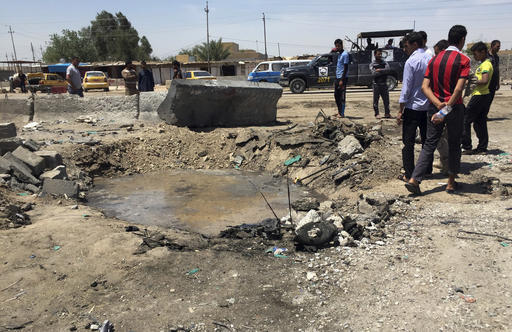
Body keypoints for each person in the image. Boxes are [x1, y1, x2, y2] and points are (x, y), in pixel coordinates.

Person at [405, 25, 470, 195]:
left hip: (434, 106)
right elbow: (458, 90)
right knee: (455, 144)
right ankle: (450, 183)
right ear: (462, 39)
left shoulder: (434, 59)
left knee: (429, 143)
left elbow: (425, 87)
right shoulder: (463, 60)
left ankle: (414, 179)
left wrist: (438, 105)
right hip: (453, 108)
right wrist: (446, 109)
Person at [397, 32, 432, 182]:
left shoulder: (411, 61)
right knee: (427, 140)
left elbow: (406, 88)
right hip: (429, 106)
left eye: (406, 46)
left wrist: (400, 110)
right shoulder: (431, 58)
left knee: (408, 142)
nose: (405, 49)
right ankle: (427, 170)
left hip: (412, 107)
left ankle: (409, 173)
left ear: (414, 44)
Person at [461, 42, 493, 155]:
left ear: (483, 52)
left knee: (465, 119)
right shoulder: (483, 64)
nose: (474, 57)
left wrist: (470, 82)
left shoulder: (486, 65)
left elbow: (484, 81)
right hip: (483, 95)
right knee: (479, 122)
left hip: (480, 95)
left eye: (476, 54)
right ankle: (482, 147)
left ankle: (466, 146)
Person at [432, 39, 450, 175]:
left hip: (449, 106)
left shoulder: (454, 64)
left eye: (437, 53)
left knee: (443, 136)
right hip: (443, 105)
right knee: (443, 135)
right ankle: (445, 162)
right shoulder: (440, 65)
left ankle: (448, 166)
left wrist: (443, 111)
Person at [370, 49, 391, 118]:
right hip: (376, 84)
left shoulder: (385, 63)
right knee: (376, 100)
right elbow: (373, 73)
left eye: (381, 54)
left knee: (386, 100)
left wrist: (379, 70)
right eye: (378, 54)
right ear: (375, 55)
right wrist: (382, 71)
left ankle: (387, 113)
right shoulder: (372, 64)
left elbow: (388, 70)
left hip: (384, 84)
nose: (380, 55)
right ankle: (377, 113)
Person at [334, 39, 349, 118]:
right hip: (337, 77)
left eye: (338, 46)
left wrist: (342, 80)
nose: (337, 47)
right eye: (336, 46)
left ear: (341, 45)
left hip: (342, 78)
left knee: (342, 96)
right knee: (336, 95)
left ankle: (342, 113)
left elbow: (346, 67)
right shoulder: (339, 54)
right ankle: (339, 111)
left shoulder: (345, 54)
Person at [487, 40, 500, 108]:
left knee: (490, 99)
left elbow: (497, 70)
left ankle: (485, 115)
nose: (498, 48)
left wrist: (498, 82)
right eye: (497, 46)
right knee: (484, 99)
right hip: (486, 81)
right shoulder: (486, 55)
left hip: (493, 82)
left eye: (499, 47)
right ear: (492, 46)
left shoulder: (497, 57)